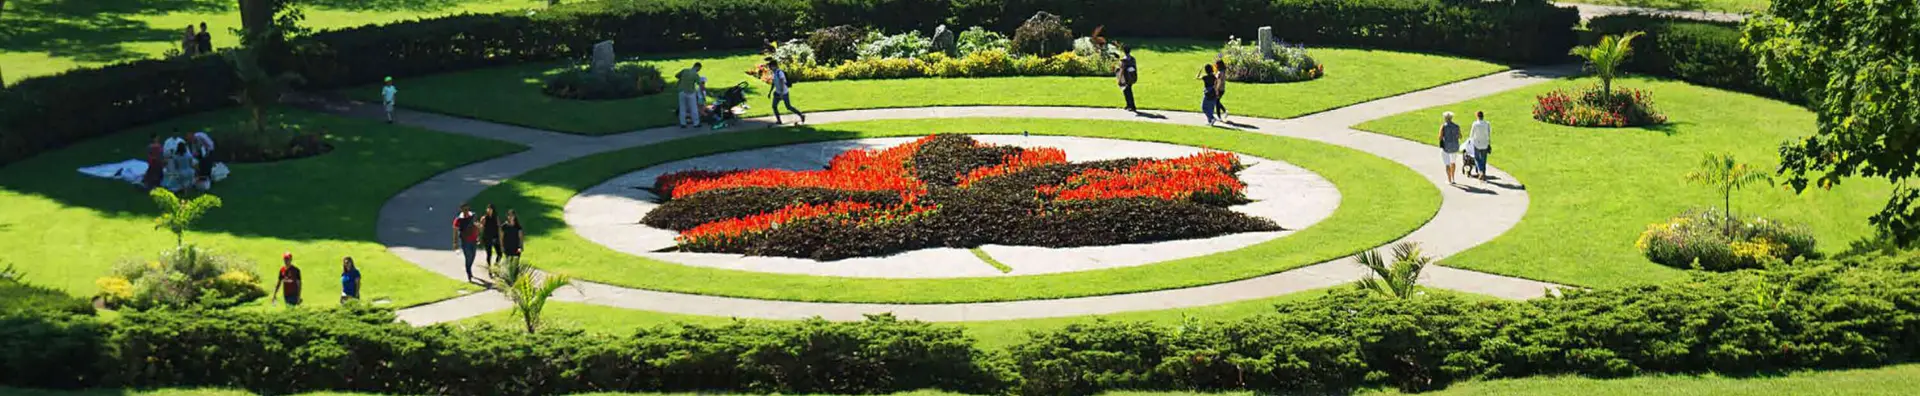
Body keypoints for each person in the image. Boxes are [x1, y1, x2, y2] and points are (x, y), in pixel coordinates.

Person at [767, 59, 806, 125]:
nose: (770, 68)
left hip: (784, 93)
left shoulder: (780, 73)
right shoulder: (774, 73)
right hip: (777, 93)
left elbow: (782, 82)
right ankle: (779, 120)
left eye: (771, 66)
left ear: (774, 66)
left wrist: (781, 93)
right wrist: (770, 92)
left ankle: (801, 115)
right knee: (774, 106)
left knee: (788, 107)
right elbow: (773, 83)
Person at [452, 204, 480, 282]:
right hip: (465, 241)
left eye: (467, 209)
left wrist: (478, 233)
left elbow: (476, 226)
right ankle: (469, 272)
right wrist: (455, 243)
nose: (466, 211)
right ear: (461, 210)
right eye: (464, 209)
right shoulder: (458, 220)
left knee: (473, 255)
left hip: (474, 239)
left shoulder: (473, 216)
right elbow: (455, 231)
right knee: (468, 257)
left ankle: (469, 267)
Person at [676, 63, 705, 128]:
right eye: (699, 69)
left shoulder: (684, 70)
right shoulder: (695, 75)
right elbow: (700, 85)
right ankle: (696, 123)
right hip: (690, 92)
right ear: (697, 67)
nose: (699, 70)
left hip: (681, 91)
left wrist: (681, 79)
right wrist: (703, 94)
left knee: (682, 108)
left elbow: (677, 75)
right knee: (693, 108)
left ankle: (683, 123)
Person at [1438, 111, 1463, 185]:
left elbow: (1440, 137)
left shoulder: (1443, 126)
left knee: (1447, 164)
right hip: (1455, 147)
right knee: (1453, 162)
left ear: (1445, 118)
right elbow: (1460, 136)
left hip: (1446, 147)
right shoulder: (1456, 126)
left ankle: (1449, 180)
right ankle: (1453, 178)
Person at [1469, 111, 1493, 183]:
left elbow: (1471, 134)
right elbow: (1489, 133)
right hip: (1485, 143)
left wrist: (1470, 140)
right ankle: (1483, 174)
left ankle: (1480, 171)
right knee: (1483, 159)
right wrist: (1489, 143)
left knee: (1477, 158)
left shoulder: (1475, 124)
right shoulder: (1487, 123)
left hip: (1477, 143)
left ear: (1477, 116)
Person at [1117, 46, 1138, 112]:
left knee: (1127, 91)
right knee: (1128, 90)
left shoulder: (1124, 60)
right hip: (1132, 76)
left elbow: (1121, 70)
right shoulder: (1133, 59)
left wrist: (1119, 79)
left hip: (1125, 77)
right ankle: (1129, 105)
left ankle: (1132, 106)